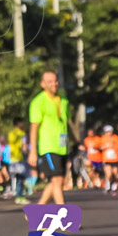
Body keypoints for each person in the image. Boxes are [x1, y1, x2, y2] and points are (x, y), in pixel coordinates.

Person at [28, 70, 75, 205]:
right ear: (43, 84)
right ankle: (65, 217)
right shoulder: (38, 102)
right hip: (48, 147)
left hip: (63, 147)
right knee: (57, 180)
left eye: (55, 80)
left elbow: (67, 123)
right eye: (50, 81)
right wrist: (33, 151)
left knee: (56, 183)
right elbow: (34, 128)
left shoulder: (64, 101)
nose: (54, 84)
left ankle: (37, 211)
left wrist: (76, 142)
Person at [8, 119, 29, 204]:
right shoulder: (22, 133)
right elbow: (24, 146)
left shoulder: (10, 133)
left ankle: (18, 196)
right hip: (20, 158)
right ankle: (20, 196)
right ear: (19, 123)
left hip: (12, 158)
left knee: (17, 178)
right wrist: (28, 153)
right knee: (21, 178)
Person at [100, 125, 118, 195]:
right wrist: (105, 146)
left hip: (115, 159)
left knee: (115, 173)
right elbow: (100, 147)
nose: (108, 133)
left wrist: (112, 145)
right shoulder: (102, 138)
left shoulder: (116, 137)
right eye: (107, 132)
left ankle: (114, 185)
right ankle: (108, 186)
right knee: (108, 174)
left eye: (109, 131)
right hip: (106, 159)